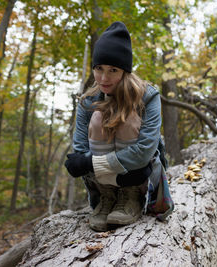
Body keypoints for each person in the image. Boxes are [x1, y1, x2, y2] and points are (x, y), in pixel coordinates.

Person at [64, 21, 173, 232]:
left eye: (113, 70)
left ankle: (130, 196)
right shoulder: (87, 102)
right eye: (99, 69)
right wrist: (86, 161)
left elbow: (143, 152)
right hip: (102, 179)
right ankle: (107, 197)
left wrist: (88, 163)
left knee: (126, 117)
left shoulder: (148, 97)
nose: (104, 78)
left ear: (125, 71)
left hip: (138, 174)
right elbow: (79, 148)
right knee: (98, 118)